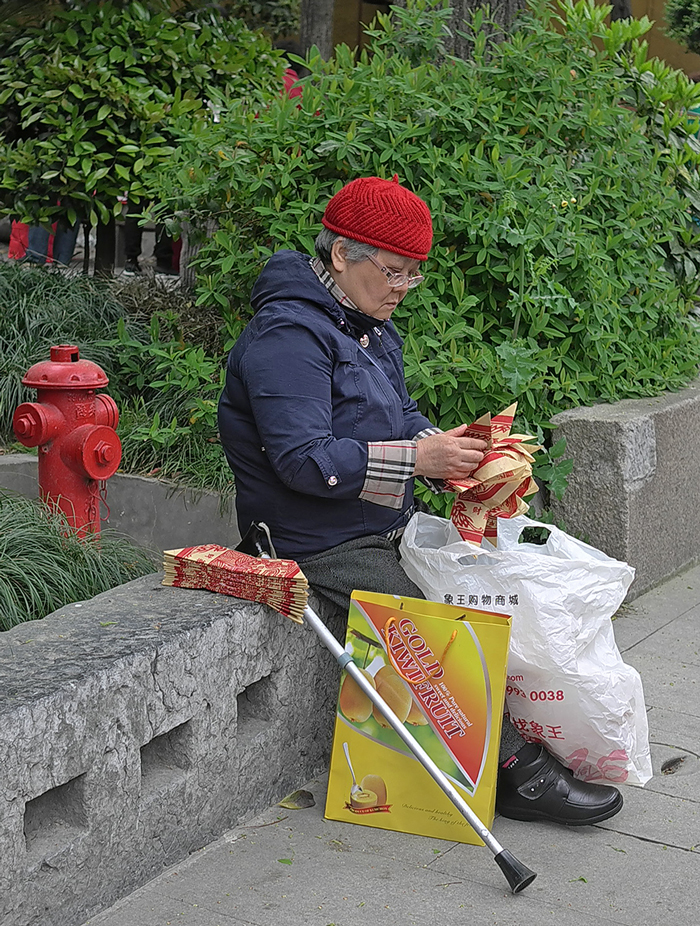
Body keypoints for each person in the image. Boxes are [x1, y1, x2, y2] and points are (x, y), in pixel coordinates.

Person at [218, 175, 623, 827]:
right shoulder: (288, 335)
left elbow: (401, 413)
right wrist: (418, 460)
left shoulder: (369, 326)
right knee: (425, 626)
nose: (404, 289)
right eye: (395, 272)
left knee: (494, 581)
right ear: (343, 255)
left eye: (414, 275)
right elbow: (302, 461)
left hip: (376, 518)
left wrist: (456, 456)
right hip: (309, 537)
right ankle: (515, 773)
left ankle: (525, 737)